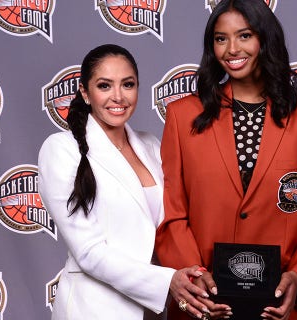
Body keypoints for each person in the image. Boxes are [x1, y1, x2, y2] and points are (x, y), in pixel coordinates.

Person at [155, 1, 297, 319]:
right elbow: (172, 215)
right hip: (204, 304)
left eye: (244, 35)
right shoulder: (182, 115)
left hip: (278, 307)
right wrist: (195, 277)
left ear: (265, 40)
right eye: (220, 38)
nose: (231, 49)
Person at [38, 44, 212, 320]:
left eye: (127, 84)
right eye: (104, 86)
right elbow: (89, 252)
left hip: (153, 309)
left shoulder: (151, 145)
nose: (118, 97)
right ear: (85, 92)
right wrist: (166, 281)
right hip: (93, 309)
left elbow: (174, 224)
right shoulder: (61, 149)